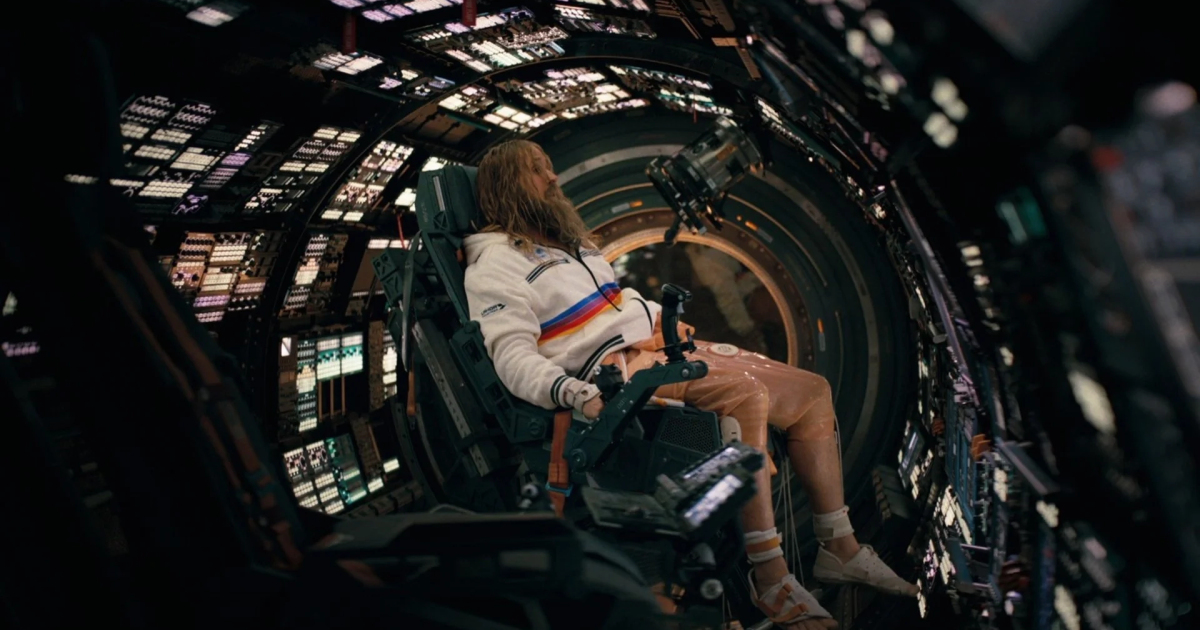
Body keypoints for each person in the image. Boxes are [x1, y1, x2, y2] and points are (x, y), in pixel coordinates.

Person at [462, 140, 917, 630]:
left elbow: (612, 305)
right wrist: (575, 392)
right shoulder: (495, 265)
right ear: (508, 186)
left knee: (812, 392)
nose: (553, 179)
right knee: (747, 394)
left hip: (655, 348)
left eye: (550, 168)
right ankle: (770, 576)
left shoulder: (568, 246)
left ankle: (839, 547)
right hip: (617, 374)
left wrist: (658, 320)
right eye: (538, 170)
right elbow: (512, 357)